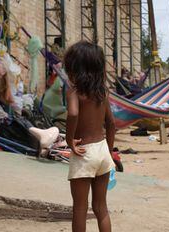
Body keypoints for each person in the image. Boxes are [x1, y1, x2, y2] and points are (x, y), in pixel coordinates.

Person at [64, 41, 116, 232]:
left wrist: (70, 140)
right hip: (102, 150)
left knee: (80, 208)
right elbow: (111, 124)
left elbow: (73, 114)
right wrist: (109, 151)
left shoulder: (75, 93)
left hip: (84, 152)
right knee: (101, 208)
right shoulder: (103, 92)